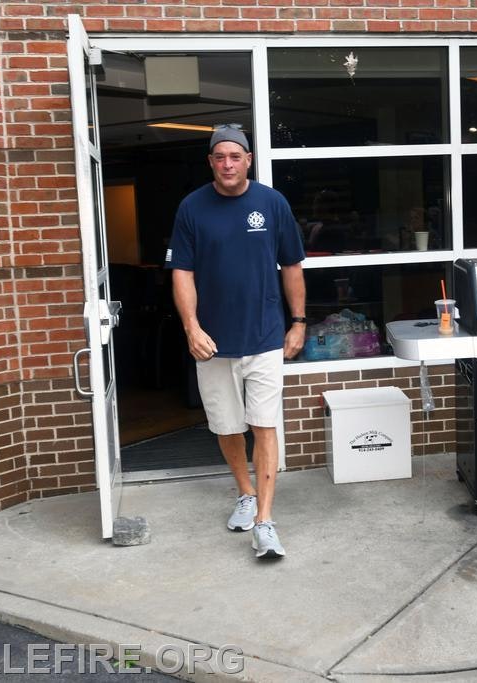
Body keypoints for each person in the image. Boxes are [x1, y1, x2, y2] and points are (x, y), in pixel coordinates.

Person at [165, 125, 306, 560]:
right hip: (212, 343)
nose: (228, 163)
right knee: (228, 427)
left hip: (264, 336)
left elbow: (292, 266)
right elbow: (182, 272)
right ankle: (245, 492)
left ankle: (264, 521)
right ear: (211, 161)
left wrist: (298, 321)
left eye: (235, 156)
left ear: (248, 159)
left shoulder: (271, 203)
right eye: (220, 156)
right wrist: (191, 327)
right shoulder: (192, 208)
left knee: (264, 424)